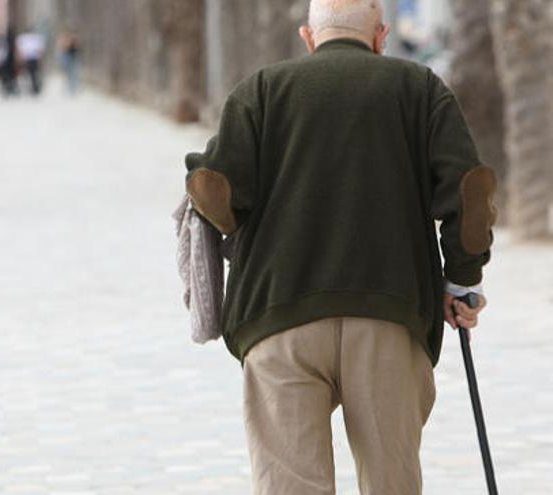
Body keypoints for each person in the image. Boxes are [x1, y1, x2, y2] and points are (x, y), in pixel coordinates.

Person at [183, 0, 497, 493]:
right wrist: (461, 279)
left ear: (309, 37)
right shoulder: (420, 88)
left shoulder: (262, 90)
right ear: (381, 36)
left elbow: (211, 186)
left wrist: (231, 218)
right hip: (389, 317)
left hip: (279, 314)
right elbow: (469, 191)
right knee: (391, 481)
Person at [16, 28, 46, 96]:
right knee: (29, 75)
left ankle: (35, 88)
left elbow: (41, 49)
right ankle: (32, 88)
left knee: (33, 74)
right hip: (29, 59)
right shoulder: (26, 38)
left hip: (32, 59)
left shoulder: (32, 38)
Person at [57, 29, 81, 95]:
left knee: (75, 74)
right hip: (68, 59)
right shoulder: (65, 41)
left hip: (74, 58)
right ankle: (69, 89)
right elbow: (64, 49)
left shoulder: (76, 41)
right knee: (69, 74)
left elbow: (78, 48)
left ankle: (74, 88)